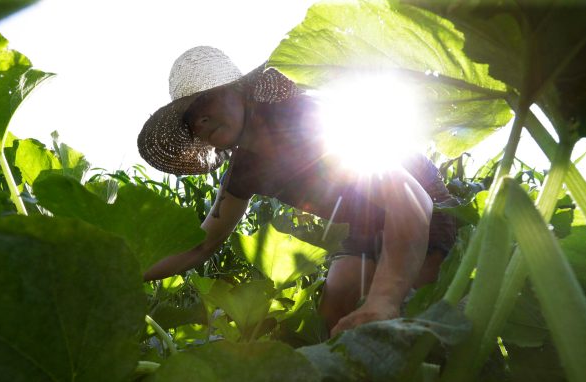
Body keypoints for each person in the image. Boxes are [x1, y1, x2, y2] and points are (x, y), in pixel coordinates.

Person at [138, 47, 456, 337]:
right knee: (335, 313)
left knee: (413, 310)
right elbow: (201, 244)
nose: (201, 119)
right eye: (190, 118)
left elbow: (407, 195)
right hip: (362, 225)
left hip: (420, 202)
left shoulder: (305, 120)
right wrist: (135, 272)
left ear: (241, 93)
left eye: (207, 100)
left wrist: (383, 299)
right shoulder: (243, 171)